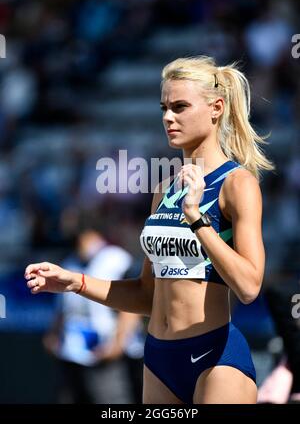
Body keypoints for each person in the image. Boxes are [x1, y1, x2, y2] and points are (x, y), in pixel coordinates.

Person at [25, 56, 274, 404]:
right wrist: (75, 282)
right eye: (164, 107)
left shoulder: (237, 184)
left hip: (214, 357)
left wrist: (197, 220)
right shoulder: (164, 189)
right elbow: (146, 295)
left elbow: (249, 286)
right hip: (158, 357)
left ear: (216, 108)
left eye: (180, 107)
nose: (168, 118)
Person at [43, 224, 144, 404]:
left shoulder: (116, 259)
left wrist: (118, 343)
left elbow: (132, 301)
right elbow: (64, 307)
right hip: (73, 352)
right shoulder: (69, 262)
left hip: (108, 351)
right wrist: (54, 332)